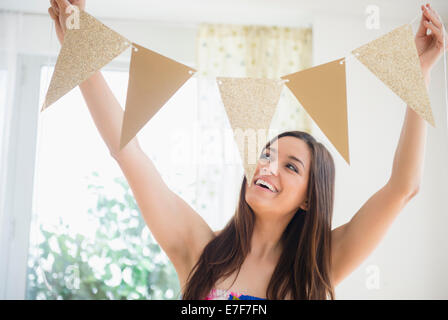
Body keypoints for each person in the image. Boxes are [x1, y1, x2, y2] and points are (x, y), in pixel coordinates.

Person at [48, 0, 447, 300]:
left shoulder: (319, 266)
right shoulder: (198, 249)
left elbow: (403, 187)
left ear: (310, 197)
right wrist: (79, 52)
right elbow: (128, 150)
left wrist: (419, 77)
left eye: (291, 167)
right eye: (267, 154)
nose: (268, 167)